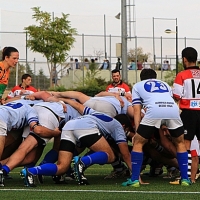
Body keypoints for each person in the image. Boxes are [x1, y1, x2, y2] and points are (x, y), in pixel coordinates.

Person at [20, 98, 132, 187]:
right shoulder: (118, 126)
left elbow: (78, 106)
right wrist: (136, 176)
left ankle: (31, 171)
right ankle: (82, 162)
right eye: (126, 130)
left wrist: (61, 98)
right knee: (110, 156)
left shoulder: (97, 113)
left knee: (62, 167)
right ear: (124, 126)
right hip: (85, 127)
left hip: (69, 126)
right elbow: (125, 154)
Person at [122, 68, 190, 187]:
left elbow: (137, 110)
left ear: (141, 78)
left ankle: (134, 180)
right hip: (173, 110)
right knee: (180, 143)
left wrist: (138, 131)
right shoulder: (165, 84)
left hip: (155, 110)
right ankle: (185, 179)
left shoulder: (138, 86)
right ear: (155, 77)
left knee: (138, 142)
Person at [172, 47, 200, 183]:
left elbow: (176, 95)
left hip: (189, 112)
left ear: (184, 59)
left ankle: (186, 177)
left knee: (185, 143)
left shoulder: (182, 75)